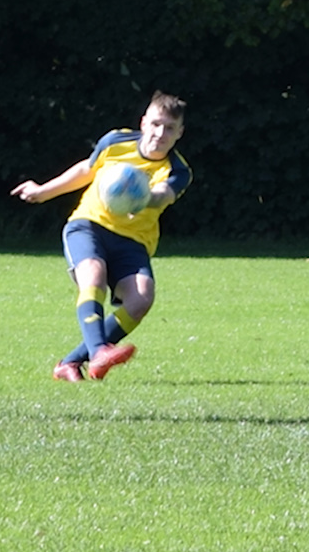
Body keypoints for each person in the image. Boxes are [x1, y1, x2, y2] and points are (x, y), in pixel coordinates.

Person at [11, 91, 190, 382]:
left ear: (180, 133)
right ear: (144, 123)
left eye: (170, 128)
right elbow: (87, 169)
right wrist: (43, 191)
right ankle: (98, 353)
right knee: (93, 273)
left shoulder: (178, 170)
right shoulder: (115, 141)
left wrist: (138, 196)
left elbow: (162, 195)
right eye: (156, 124)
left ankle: (70, 362)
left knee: (142, 298)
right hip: (89, 225)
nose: (161, 133)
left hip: (133, 241)